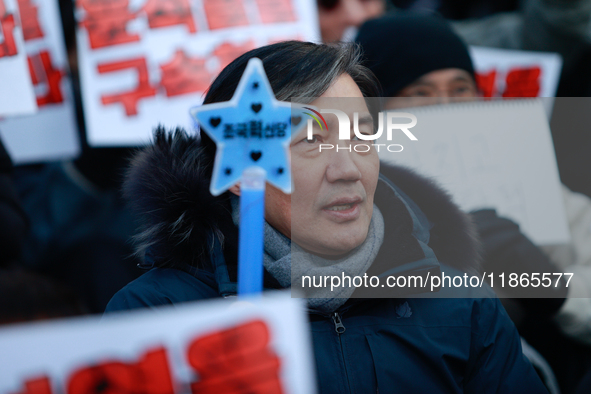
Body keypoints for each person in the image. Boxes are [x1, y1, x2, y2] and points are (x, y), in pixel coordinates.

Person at [106, 40, 547, 393]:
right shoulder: (153, 316)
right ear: (241, 172)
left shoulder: (463, 304)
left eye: (361, 139)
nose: (348, 170)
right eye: (311, 142)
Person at [356, 12, 591, 393]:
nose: (447, 107)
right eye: (420, 94)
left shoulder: (531, 180)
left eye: (460, 88)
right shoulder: (356, 203)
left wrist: (555, 291)